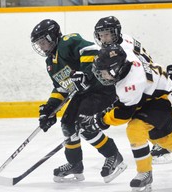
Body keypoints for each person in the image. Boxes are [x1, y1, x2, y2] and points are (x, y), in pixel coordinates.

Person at [77, 43, 172, 192]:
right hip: (151, 93)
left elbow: (123, 114)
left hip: (161, 99)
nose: (101, 76)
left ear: (115, 69)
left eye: (103, 73)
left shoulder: (132, 83)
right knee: (166, 140)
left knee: (135, 128)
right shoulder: (126, 57)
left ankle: (145, 173)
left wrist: (99, 121)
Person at [30, 19, 127, 183]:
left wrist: (86, 74)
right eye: (38, 43)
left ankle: (114, 156)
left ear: (52, 36)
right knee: (67, 124)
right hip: (83, 94)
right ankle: (75, 164)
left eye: (42, 41)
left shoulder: (68, 42)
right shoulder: (50, 64)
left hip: (101, 88)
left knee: (85, 124)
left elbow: (90, 49)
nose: (40, 46)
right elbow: (62, 88)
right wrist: (49, 109)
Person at [93, 15, 172, 164]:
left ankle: (162, 145)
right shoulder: (126, 39)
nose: (103, 38)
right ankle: (162, 143)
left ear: (115, 32)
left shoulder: (122, 51)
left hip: (143, 83)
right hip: (146, 78)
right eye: (101, 35)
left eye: (107, 34)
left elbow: (130, 72)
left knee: (140, 115)